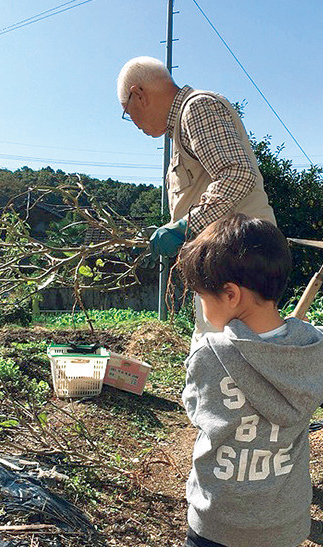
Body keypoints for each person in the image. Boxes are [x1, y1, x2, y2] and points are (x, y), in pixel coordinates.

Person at [150, 213, 323, 547]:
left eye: (202, 297)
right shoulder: (312, 348)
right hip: (280, 507)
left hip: (220, 499)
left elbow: (196, 408)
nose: (202, 307)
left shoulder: (210, 353)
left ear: (230, 294)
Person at [117, 56, 275, 345]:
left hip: (238, 257)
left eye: (128, 112)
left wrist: (183, 227)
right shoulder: (181, 128)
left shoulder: (197, 108)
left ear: (139, 94)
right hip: (224, 261)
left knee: (229, 357)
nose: (134, 123)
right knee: (214, 352)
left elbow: (237, 174)